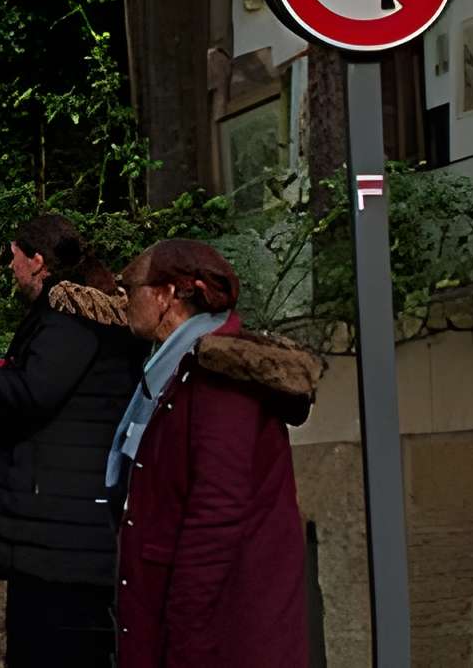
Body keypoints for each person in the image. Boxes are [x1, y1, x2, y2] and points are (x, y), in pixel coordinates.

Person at [107, 239, 319, 668]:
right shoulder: (179, 369)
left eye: (131, 287)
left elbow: (216, 515)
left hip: (221, 635)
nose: (122, 299)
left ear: (168, 295)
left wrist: (185, 637)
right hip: (186, 623)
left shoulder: (219, 375)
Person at [0, 213, 140, 666]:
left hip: (60, 525)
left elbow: (36, 391)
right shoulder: (87, 312)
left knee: (52, 643)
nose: (11, 268)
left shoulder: (68, 315)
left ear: (37, 261)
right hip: (67, 519)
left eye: (15, 258)